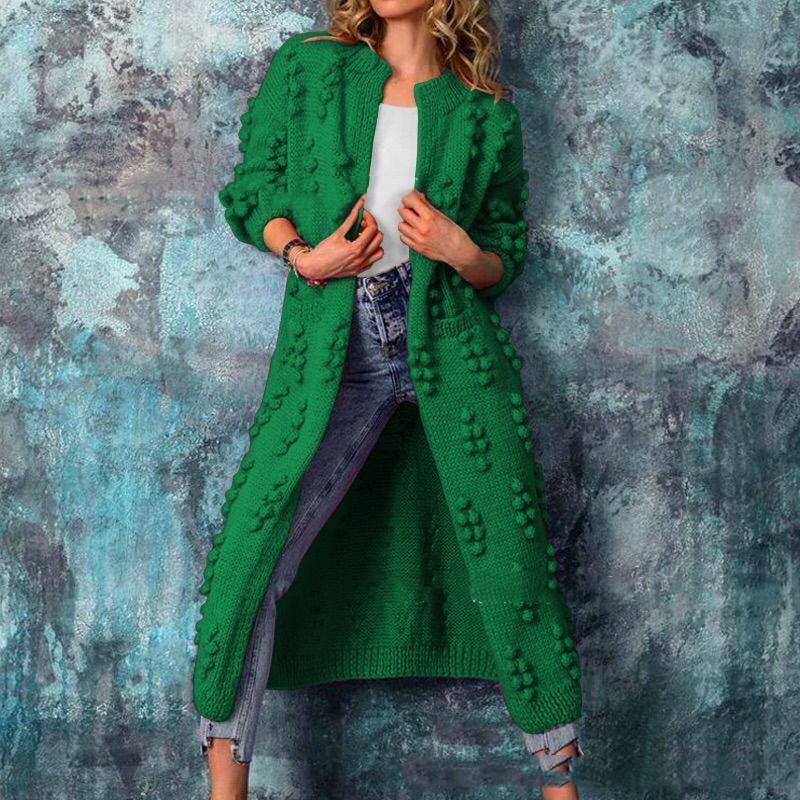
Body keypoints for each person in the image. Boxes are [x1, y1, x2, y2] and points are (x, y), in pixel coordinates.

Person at [196, 2, 584, 798]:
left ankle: (561, 784)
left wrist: (461, 249)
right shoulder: (310, 67)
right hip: (338, 346)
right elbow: (253, 190)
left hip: (454, 347)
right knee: (251, 552)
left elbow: (503, 252)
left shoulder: (483, 110)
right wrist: (304, 256)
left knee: (513, 566)